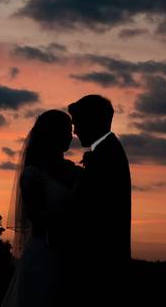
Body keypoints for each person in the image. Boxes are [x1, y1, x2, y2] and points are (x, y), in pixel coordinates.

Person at [2, 109, 83, 307]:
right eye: (66, 130)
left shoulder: (75, 172)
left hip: (72, 256)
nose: (71, 136)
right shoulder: (32, 175)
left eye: (71, 130)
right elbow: (37, 220)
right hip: (45, 255)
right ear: (51, 134)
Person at [63, 94, 132, 306]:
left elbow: (90, 209)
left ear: (93, 121)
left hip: (101, 262)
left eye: (78, 124)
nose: (75, 132)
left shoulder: (106, 155)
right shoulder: (106, 149)